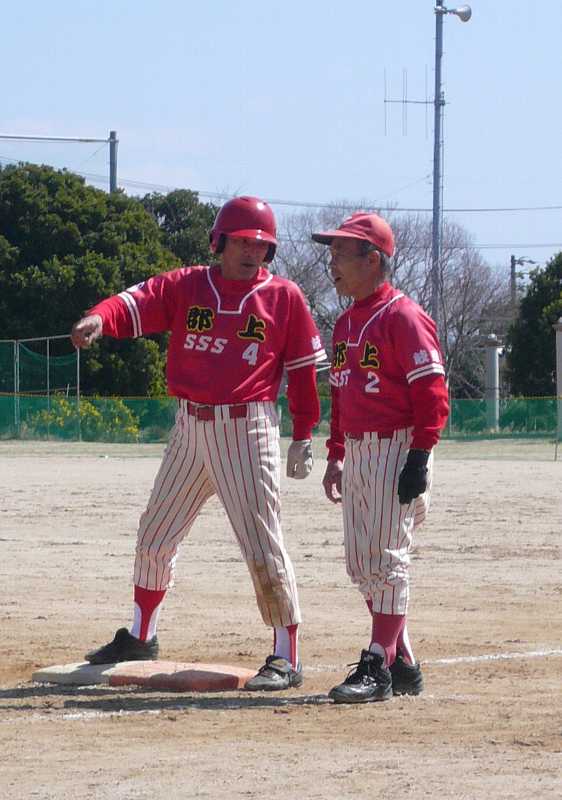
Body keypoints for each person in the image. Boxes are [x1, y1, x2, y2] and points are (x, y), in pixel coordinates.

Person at [71, 195, 326, 691]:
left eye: (261, 244)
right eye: (242, 242)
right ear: (219, 242)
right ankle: (142, 634)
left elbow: (301, 372)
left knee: (261, 542)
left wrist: (303, 434)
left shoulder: (284, 297)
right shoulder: (188, 285)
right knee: (155, 533)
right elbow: (135, 301)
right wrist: (99, 318)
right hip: (189, 426)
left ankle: (286, 654)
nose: (251, 251)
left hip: (246, 428)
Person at [312, 211, 449, 704]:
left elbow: (432, 392)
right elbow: (341, 394)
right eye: (331, 254)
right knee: (360, 564)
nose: (332, 264)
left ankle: (377, 664)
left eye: (341, 254)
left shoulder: (403, 316)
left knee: (387, 561)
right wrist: (336, 454)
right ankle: (402, 660)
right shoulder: (346, 322)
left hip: (398, 445)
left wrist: (420, 456)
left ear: (372, 260)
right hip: (359, 449)